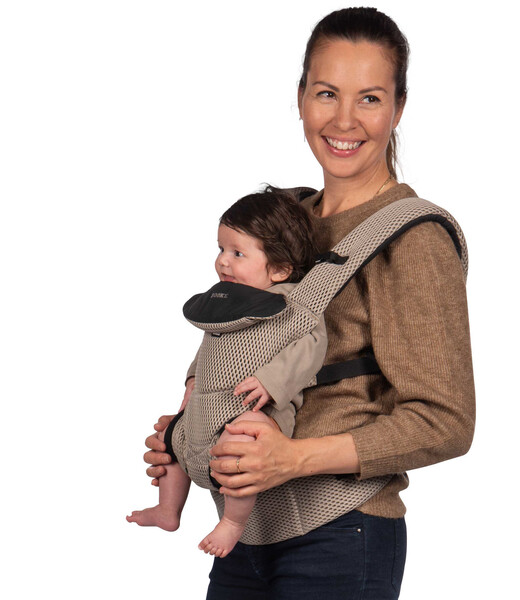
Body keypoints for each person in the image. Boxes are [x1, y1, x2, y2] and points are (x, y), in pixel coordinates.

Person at [143, 7, 476, 598]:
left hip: (341, 533)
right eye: (326, 93)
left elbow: (446, 422)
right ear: (300, 97)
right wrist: (194, 426)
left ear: (399, 107)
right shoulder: (279, 221)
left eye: (369, 98)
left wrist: (293, 459)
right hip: (247, 531)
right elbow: (245, 343)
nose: (344, 120)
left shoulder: (412, 238)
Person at [128, 189, 326, 558]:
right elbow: (209, 348)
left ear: (280, 269)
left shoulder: (293, 305)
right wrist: (192, 380)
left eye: (237, 253)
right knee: (169, 436)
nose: (222, 261)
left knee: (241, 449)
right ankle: (168, 509)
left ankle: (233, 522)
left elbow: (311, 346)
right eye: (221, 249)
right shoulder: (230, 302)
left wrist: (272, 381)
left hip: (259, 411)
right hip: (207, 408)